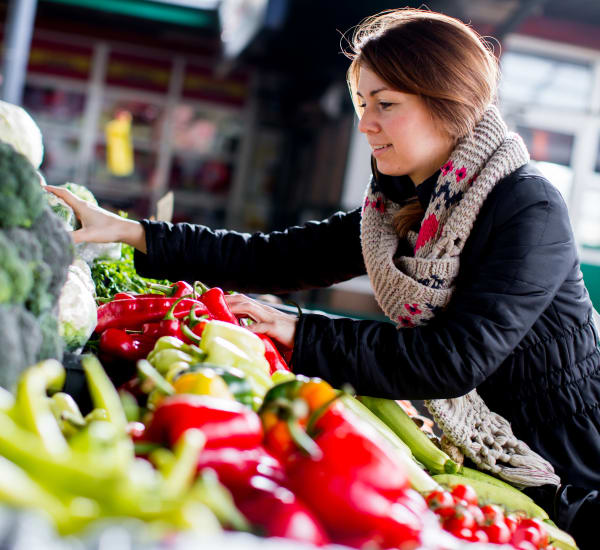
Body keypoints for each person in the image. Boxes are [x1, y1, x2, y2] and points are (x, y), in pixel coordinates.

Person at [48, 8, 600, 547]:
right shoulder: (399, 207)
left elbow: (454, 358)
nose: (365, 123)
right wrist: (135, 234)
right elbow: (274, 259)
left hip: (572, 458)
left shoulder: (526, 205)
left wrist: (299, 331)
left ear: (447, 104)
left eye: (385, 104)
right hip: (478, 452)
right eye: (362, 103)